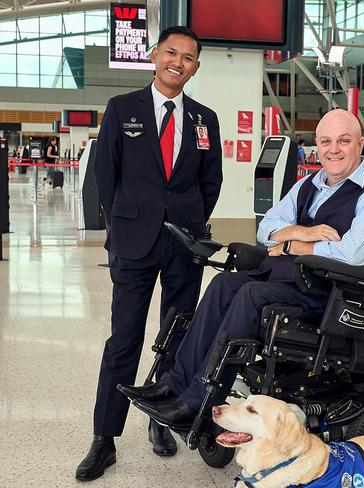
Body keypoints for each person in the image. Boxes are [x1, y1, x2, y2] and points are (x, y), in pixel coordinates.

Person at [119, 109, 364, 430]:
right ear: (316, 146)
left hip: (336, 296)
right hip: (294, 280)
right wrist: (303, 232)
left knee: (251, 294)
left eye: (344, 141)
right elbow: (266, 228)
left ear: (361, 144)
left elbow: (351, 254)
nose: (333, 149)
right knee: (224, 283)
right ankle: (173, 383)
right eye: (325, 141)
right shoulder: (310, 184)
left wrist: (289, 245)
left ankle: (197, 401)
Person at [75, 26, 223, 482]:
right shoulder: (123, 110)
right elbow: (106, 172)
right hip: (134, 244)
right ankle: (105, 438)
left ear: (195, 67)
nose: (178, 62)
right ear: (156, 56)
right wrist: (123, 226)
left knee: (176, 337)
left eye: (189, 57)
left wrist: (191, 221)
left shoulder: (204, 119)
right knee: (124, 340)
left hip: (184, 244)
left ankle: (161, 420)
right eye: (171, 53)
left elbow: (210, 181)